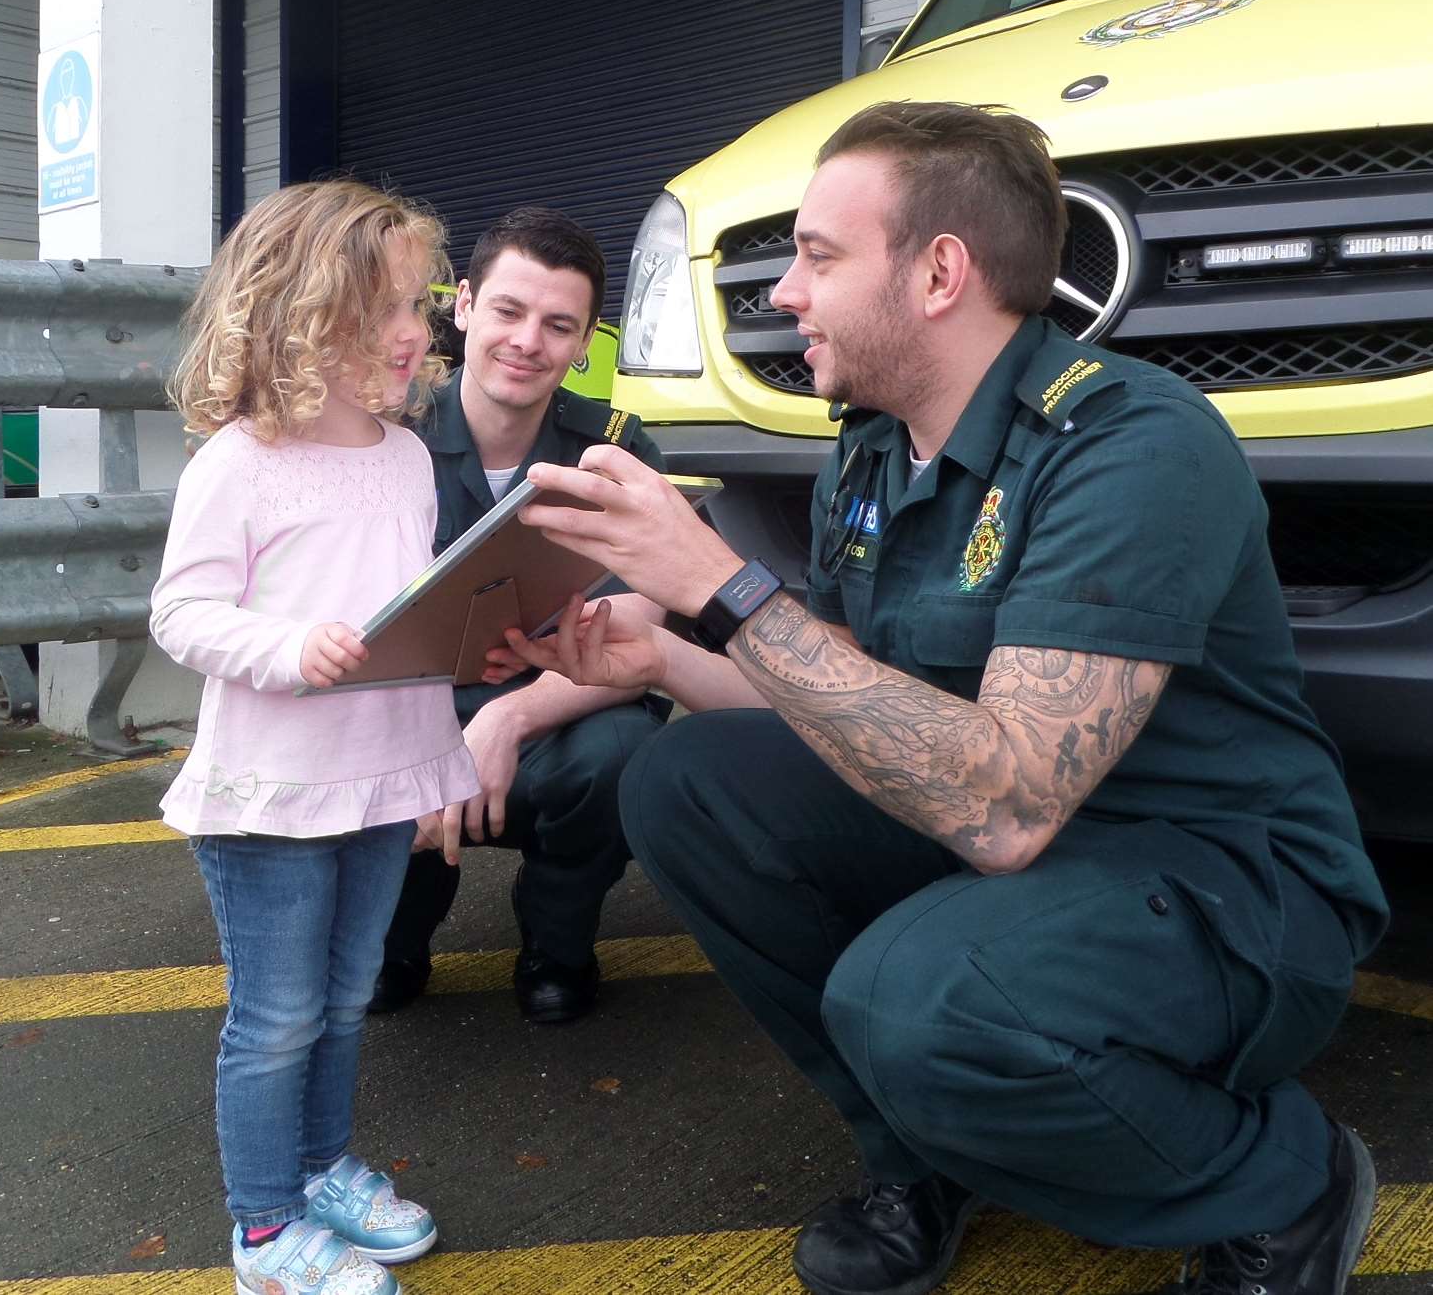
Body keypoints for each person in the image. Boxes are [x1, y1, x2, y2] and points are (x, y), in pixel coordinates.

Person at [502, 102, 1389, 1295]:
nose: (785, 295)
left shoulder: (1130, 446)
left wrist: (720, 584)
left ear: (939, 272)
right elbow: (868, 715)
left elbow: (1008, 803)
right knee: (685, 783)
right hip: (1035, 859)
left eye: (817, 258)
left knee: (915, 1002)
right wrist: (660, 659)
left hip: (1226, 890)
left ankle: (1283, 1181)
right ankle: (923, 1153)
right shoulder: (872, 454)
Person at [151, 179, 481, 1295]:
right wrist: (291, 649)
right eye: (384, 309)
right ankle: (263, 1231)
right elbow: (182, 613)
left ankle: (320, 1166)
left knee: (344, 999)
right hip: (273, 792)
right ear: (296, 310)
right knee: (279, 1014)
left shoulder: (399, 455)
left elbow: (410, 611)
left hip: (380, 781)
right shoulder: (237, 461)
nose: (414, 333)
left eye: (421, 306)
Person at [369, 206, 671, 1025]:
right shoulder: (384, 432)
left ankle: (557, 944)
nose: (528, 340)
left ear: (584, 344)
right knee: (364, 738)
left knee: (626, 751)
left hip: (553, 712)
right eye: (508, 310)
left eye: (558, 324)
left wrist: (508, 718)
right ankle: (394, 936)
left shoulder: (613, 449)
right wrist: (435, 739)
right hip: (410, 698)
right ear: (463, 305)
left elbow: (642, 606)